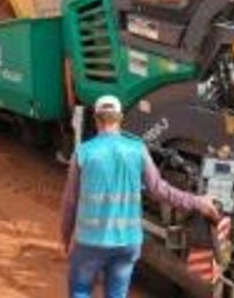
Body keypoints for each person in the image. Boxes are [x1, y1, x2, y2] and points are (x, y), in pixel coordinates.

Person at [60, 95, 222, 298]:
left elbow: (70, 201)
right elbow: (160, 190)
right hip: (127, 242)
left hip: (91, 242)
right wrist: (198, 202)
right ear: (120, 119)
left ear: (96, 119)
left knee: (80, 291)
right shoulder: (138, 149)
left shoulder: (83, 153)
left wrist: (66, 237)